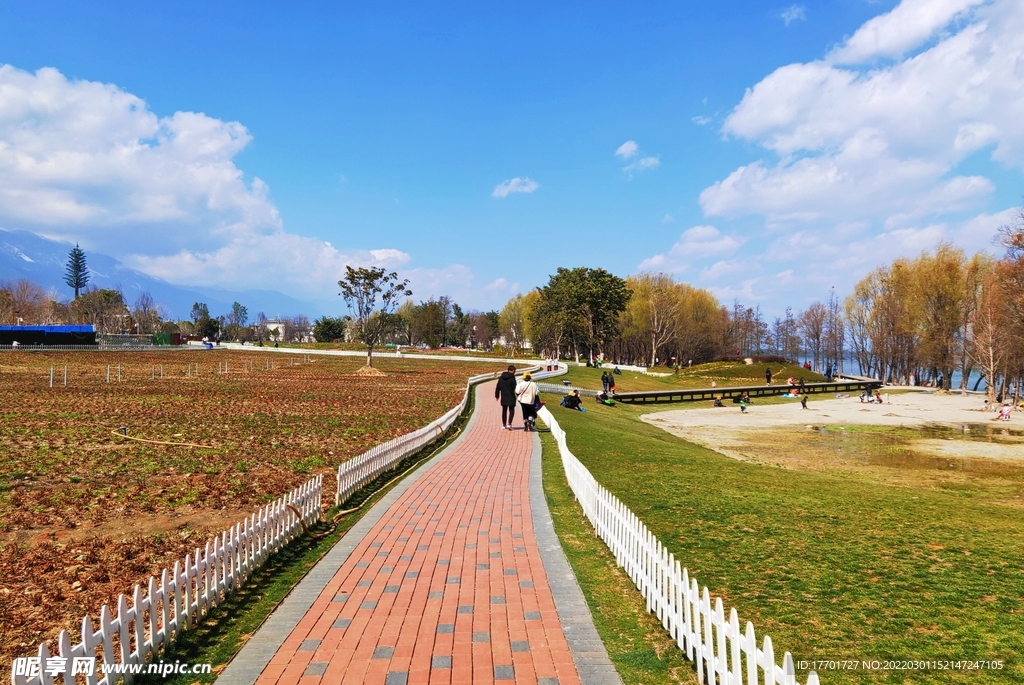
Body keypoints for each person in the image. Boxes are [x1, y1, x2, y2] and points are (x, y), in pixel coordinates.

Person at [495, 365, 518, 429]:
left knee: (504, 411)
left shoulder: (501, 377)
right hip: (511, 396)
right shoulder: (512, 378)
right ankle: (509, 423)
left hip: (503, 396)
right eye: (514, 371)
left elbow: (498, 387)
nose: (515, 372)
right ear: (512, 370)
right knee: (511, 410)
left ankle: (504, 424)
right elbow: (515, 387)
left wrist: (497, 395)